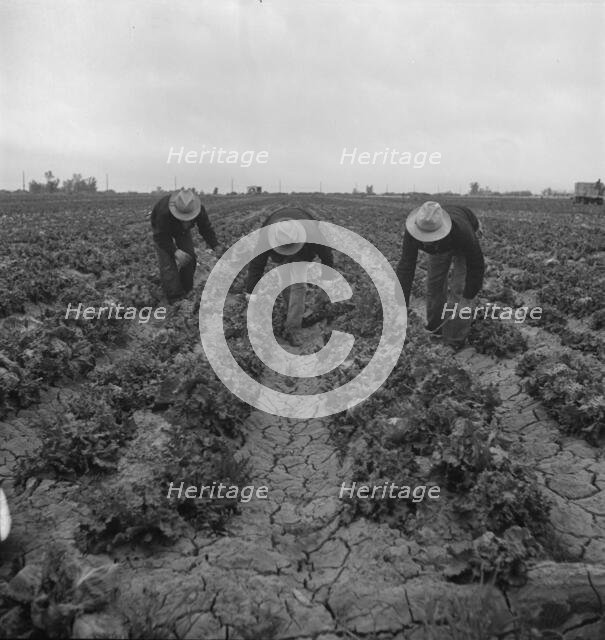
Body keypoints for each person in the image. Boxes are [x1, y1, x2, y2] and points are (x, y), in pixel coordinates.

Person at [395, 201, 485, 347]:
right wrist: (400, 306)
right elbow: (406, 267)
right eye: (424, 237)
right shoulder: (412, 232)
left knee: (460, 290)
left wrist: (468, 297)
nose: (427, 241)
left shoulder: (463, 231)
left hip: (461, 238)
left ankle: (454, 340)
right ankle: (435, 327)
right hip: (441, 245)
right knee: (434, 284)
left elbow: (476, 265)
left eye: (430, 237)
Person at [245, 207, 334, 346]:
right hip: (279, 254)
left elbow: (326, 254)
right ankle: (291, 312)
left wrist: (327, 279)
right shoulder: (266, 235)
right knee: (285, 282)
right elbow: (257, 263)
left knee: (299, 285)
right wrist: (251, 291)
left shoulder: (311, 231)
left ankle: (293, 327)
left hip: (303, 251)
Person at [150, 189, 222, 304]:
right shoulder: (163, 212)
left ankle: (186, 290)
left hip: (182, 231)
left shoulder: (199, 209)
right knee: (168, 264)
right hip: (163, 232)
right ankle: (174, 298)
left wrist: (215, 245)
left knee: (190, 258)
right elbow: (160, 237)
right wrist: (175, 251)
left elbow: (205, 228)